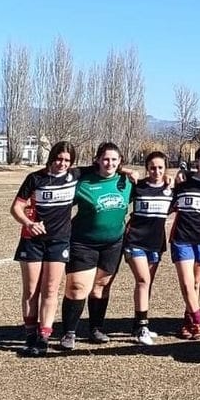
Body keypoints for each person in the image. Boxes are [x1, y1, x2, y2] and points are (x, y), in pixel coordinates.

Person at [58, 142, 134, 350]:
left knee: (101, 287)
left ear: (120, 162)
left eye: (114, 160)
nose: (109, 163)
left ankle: (96, 328)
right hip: (83, 243)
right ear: (98, 160)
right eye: (105, 159)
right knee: (77, 287)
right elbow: (60, 203)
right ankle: (69, 332)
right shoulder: (82, 182)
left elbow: (151, 190)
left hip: (113, 244)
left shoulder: (127, 182)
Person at [12, 141, 80, 356]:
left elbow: (105, 167)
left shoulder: (75, 175)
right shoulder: (35, 178)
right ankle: (30, 335)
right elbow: (16, 207)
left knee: (50, 290)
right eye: (59, 159)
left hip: (59, 241)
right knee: (31, 290)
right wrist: (29, 223)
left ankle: (43, 336)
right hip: (33, 241)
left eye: (67, 160)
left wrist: (126, 170)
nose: (62, 163)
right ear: (52, 157)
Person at [121, 151, 174, 346]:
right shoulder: (138, 187)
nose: (156, 171)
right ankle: (142, 326)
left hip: (156, 244)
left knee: (147, 283)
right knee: (143, 280)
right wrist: (127, 170)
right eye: (152, 167)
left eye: (160, 168)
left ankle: (139, 323)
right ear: (147, 168)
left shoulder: (170, 189)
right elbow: (113, 170)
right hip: (135, 241)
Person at [171, 145, 200, 340]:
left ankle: (188, 320)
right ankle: (198, 319)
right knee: (187, 282)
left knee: (196, 282)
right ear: (196, 161)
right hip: (182, 238)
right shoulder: (183, 181)